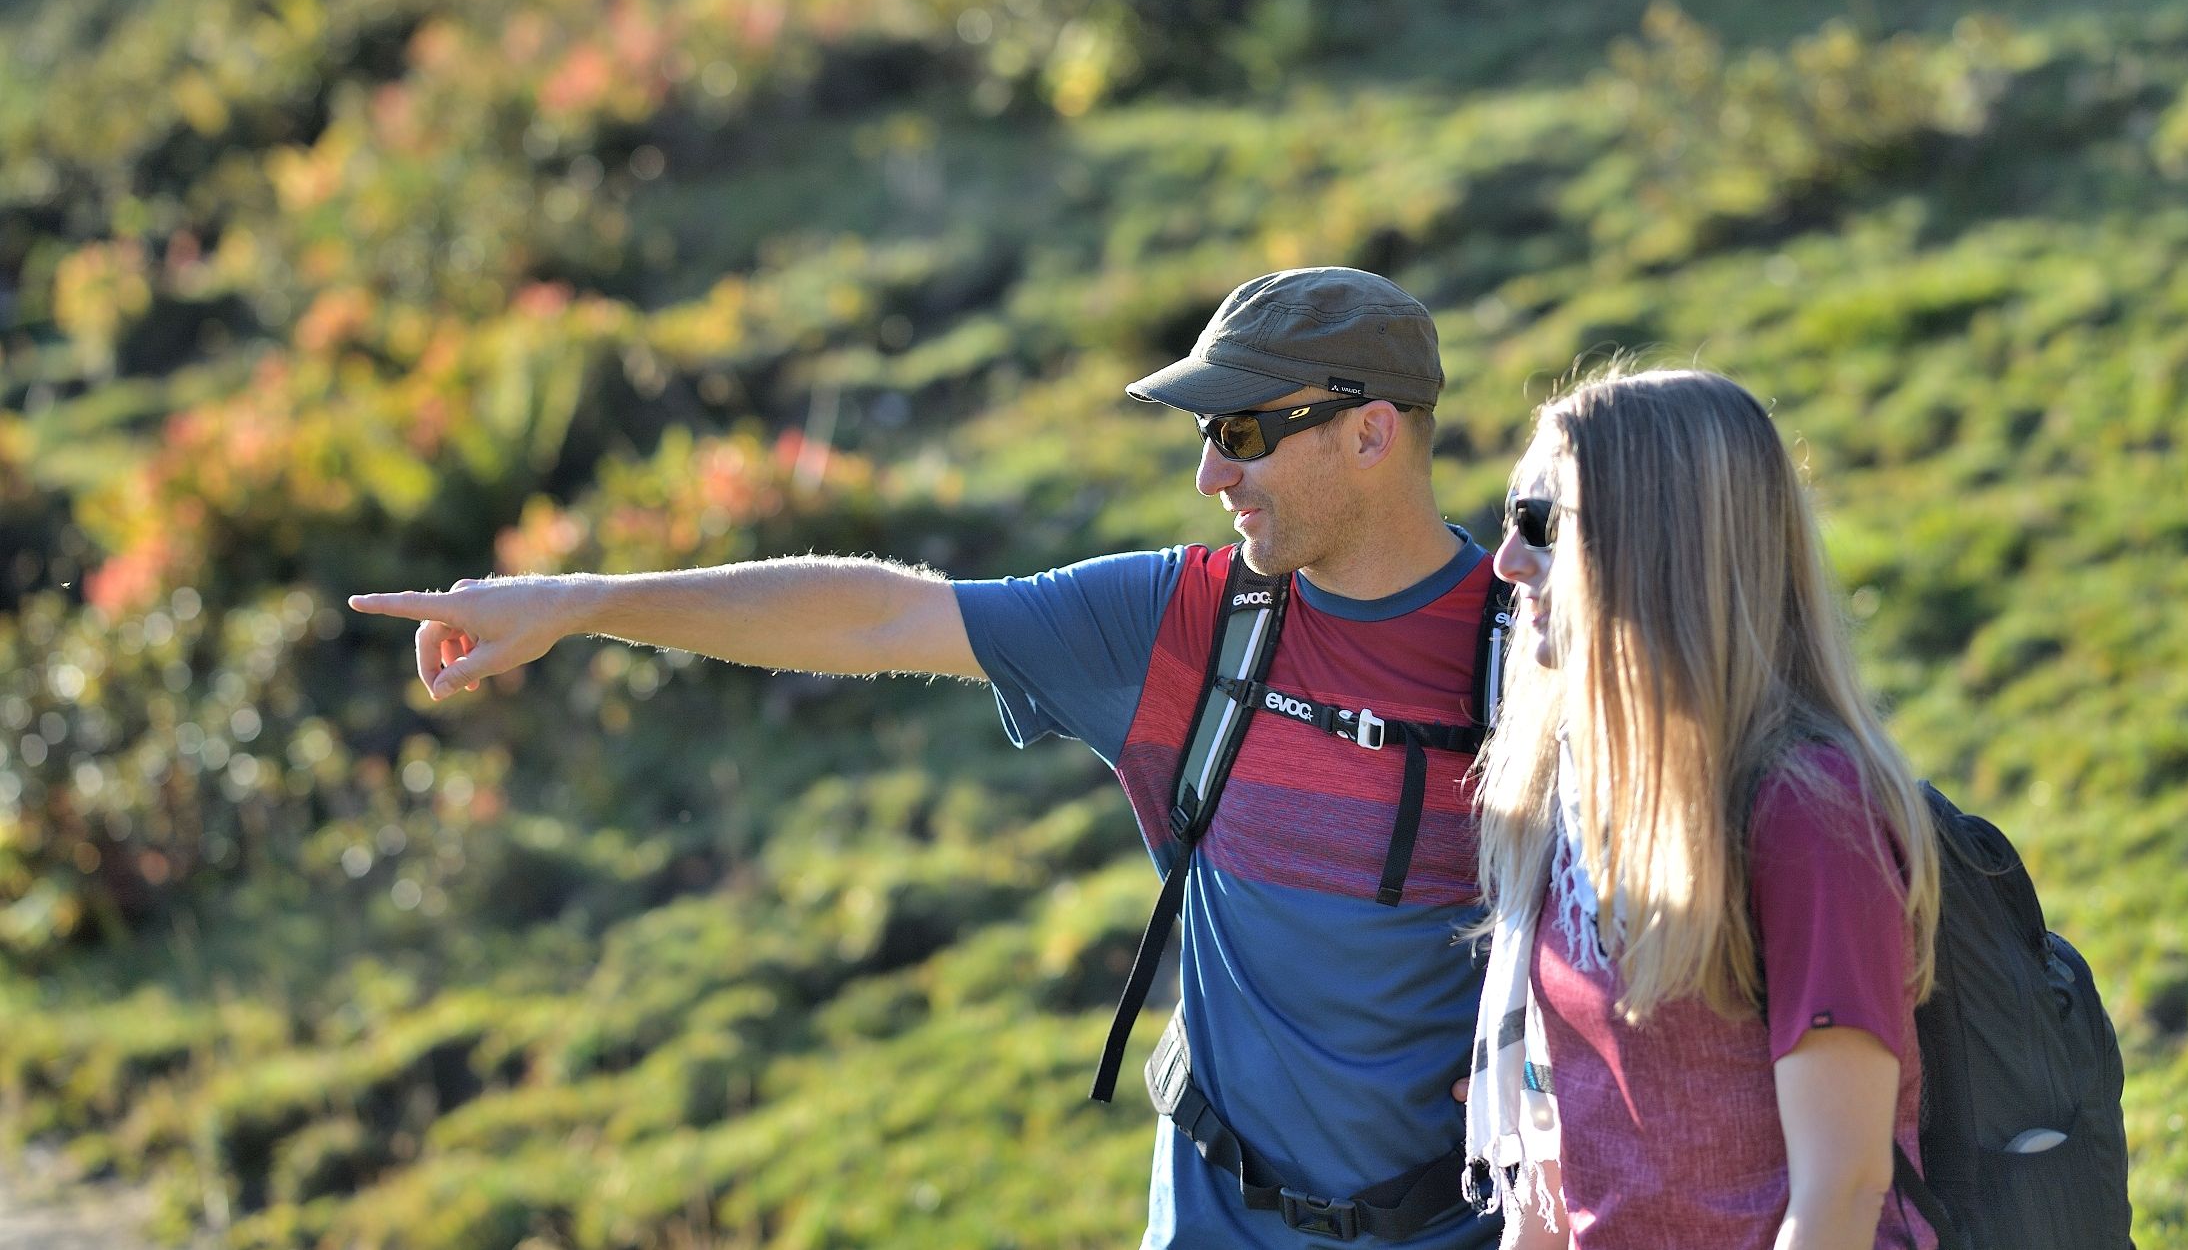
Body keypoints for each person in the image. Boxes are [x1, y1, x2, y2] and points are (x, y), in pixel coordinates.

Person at [352, 267, 1507, 1248]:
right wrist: (582, 602)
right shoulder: (1184, 623)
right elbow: (878, 617)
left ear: (1372, 431)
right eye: (1207, 435)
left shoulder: (1540, 659)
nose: (1211, 475)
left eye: (1244, 432)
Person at [1459, 367, 1944, 1250]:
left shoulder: (1808, 811)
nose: (1505, 561)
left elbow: (1841, 1190)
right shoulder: (1566, 794)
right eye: (1508, 519)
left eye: (1539, 525)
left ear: (1655, 538)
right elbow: (1555, 1162)